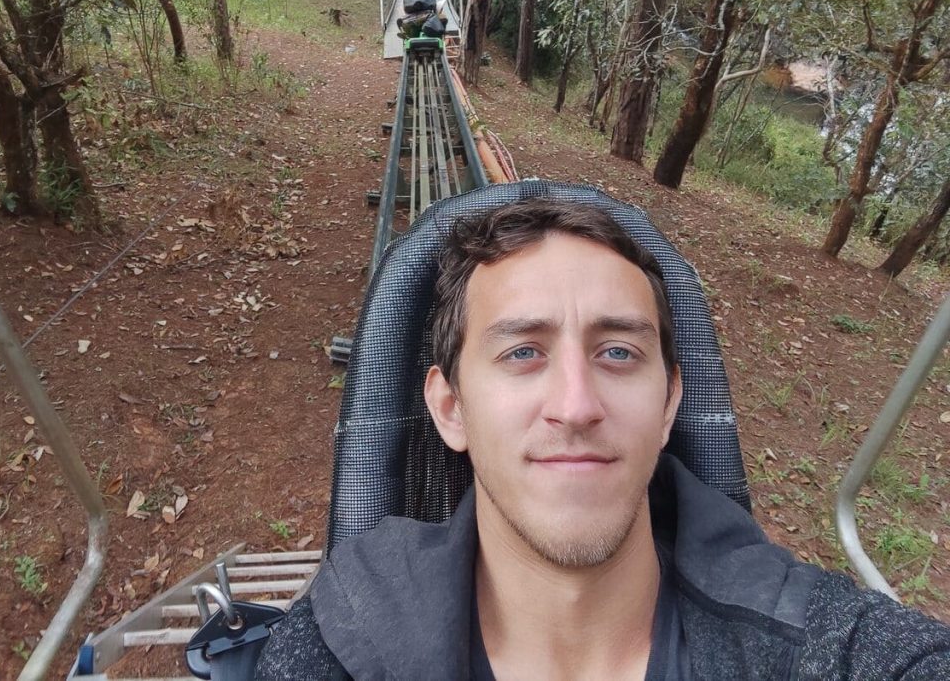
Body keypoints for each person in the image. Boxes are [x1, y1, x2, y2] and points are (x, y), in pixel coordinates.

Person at [255, 198, 950, 679]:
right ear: (450, 408)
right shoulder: (338, 644)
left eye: (618, 353)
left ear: (670, 400)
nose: (577, 406)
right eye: (523, 352)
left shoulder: (813, 642)